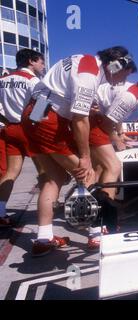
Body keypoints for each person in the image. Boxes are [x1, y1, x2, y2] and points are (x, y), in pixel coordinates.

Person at [22, 46, 135, 257]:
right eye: (122, 75)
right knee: (88, 175)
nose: (119, 82)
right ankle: (96, 233)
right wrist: (85, 158)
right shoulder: (89, 72)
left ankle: (44, 238)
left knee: (53, 178)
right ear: (115, 64)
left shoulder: (82, 60)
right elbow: (80, 119)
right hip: (49, 118)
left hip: (35, 114)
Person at [87, 74, 138, 250]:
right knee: (113, 166)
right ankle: (101, 223)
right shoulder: (131, 96)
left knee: (99, 169)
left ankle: (92, 216)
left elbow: (116, 117)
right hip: (93, 120)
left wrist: (120, 134)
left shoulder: (134, 93)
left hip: (94, 118)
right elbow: (109, 121)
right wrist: (117, 140)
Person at [0, 49, 46, 228]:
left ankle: (1, 212)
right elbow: (42, 105)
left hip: (10, 128)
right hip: (29, 129)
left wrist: (6, 121)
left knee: (11, 172)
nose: (42, 65)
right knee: (45, 172)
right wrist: (33, 123)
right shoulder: (33, 81)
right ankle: (48, 209)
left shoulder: (3, 80)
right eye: (40, 61)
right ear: (31, 61)